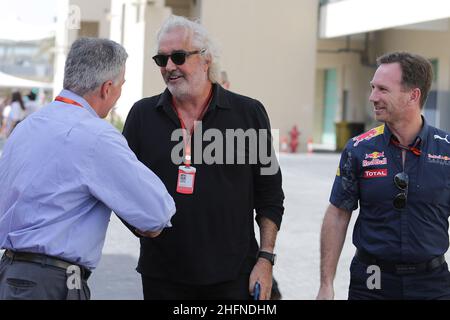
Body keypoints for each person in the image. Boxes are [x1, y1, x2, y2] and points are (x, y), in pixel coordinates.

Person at [0, 37, 176, 300]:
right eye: (121, 86)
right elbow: (156, 213)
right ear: (107, 88)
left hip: (10, 273)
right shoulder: (96, 136)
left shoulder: (28, 126)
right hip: (52, 283)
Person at [123, 15, 284, 300]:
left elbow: (270, 194)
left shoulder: (248, 114)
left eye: (179, 57)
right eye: (162, 60)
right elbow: (121, 186)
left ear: (206, 59)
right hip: (163, 277)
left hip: (234, 277)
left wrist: (266, 259)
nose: (169, 66)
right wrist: (139, 225)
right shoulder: (142, 116)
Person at [317, 52, 450, 300]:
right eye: (372, 88)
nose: (372, 97)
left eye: (383, 89)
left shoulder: (447, 150)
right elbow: (337, 214)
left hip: (432, 284)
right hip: (372, 280)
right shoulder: (358, 149)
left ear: (413, 95)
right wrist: (326, 284)